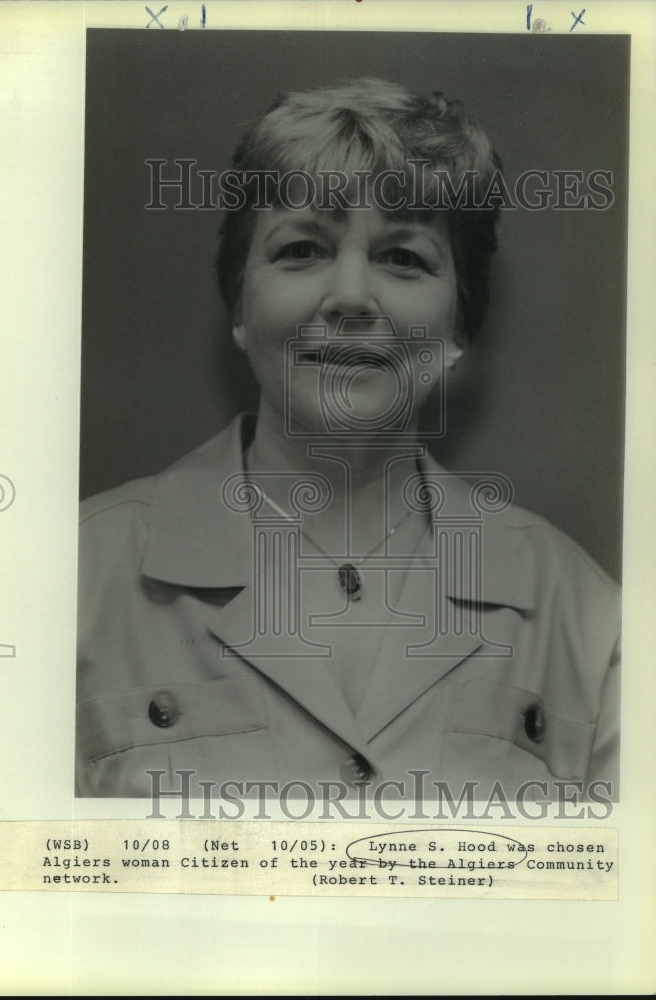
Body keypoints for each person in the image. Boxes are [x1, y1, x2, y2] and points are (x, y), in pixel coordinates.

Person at [75, 78, 620, 804]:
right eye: (301, 248)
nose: (351, 297)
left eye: (403, 257)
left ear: (458, 325)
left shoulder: (586, 615)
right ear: (239, 306)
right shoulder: (71, 582)